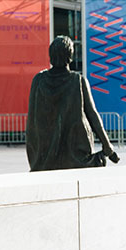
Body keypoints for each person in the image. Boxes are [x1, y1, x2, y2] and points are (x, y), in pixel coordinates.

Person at [26, 35, 117, 171]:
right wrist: (108, 147)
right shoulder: (78, 81)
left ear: (50, 56)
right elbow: (92, 115)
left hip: (45, 156)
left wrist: (35, 154)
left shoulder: (38, 80)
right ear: (70, 56)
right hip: (75, 155)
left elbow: (31, 121)